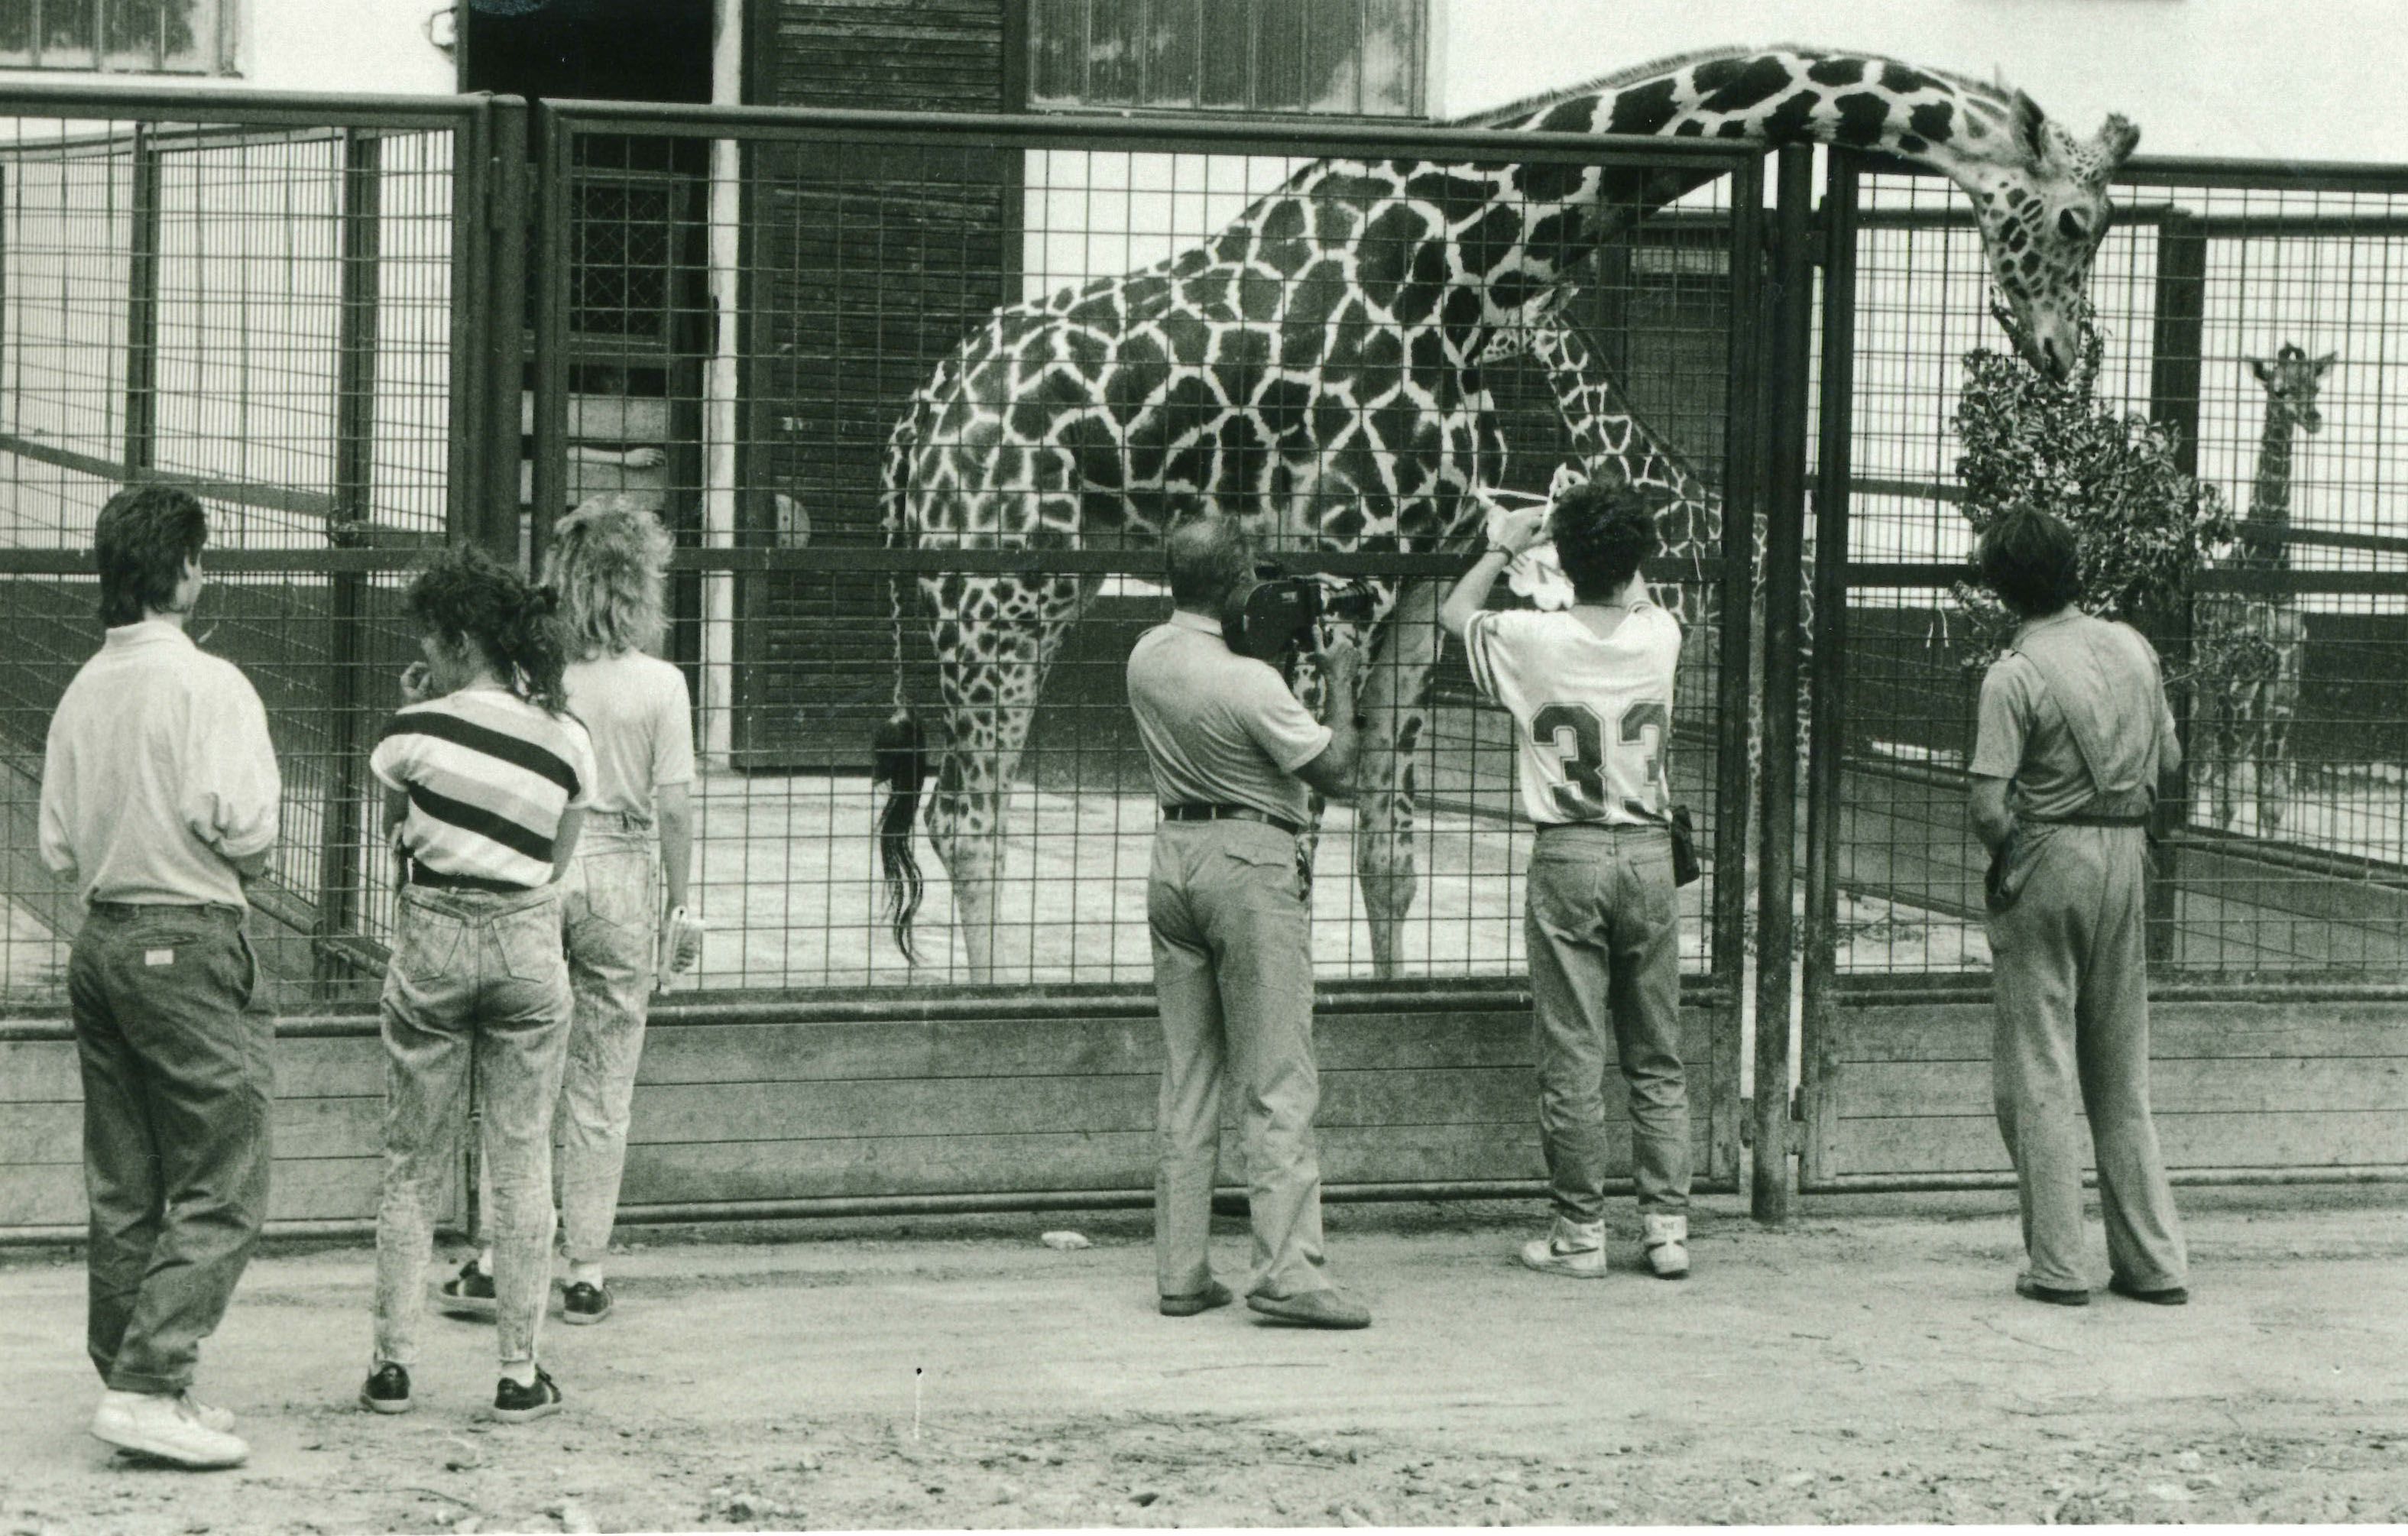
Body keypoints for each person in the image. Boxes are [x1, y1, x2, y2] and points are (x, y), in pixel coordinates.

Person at [39, 485, 281, 1469]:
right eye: (201, 558)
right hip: (186, 936)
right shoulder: (209, 684)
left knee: (126, 1179)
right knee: (226, 1175)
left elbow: (57, 847)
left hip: (100, 941)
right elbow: (251, 833)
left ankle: (139, 1378)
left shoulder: (80, 689)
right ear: (182, 570)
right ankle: (149, 1380)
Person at [435, 496, 702, 1327]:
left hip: (540, 865)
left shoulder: (536, 681)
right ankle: (585, 1269)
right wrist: (682, 908)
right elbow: (676, 808)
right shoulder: (662, 684)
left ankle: (490, 1258)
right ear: (640, 584)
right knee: (603, 1081)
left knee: (520, 1072)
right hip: (624, 872)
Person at [361, 546, 596, 1421]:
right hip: (528, 946)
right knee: (523, 1160)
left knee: (411, 1165)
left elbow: (396, 836)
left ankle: (391, 1368)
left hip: (431, 943)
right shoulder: (569, 737)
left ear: (456, 640)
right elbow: (555, 860)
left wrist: (424, 704)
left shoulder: (411, 730)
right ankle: (519, 1374)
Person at [1440, 479, 1691, 1282]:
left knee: (1573, 1052)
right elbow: (1634, 589)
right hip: (1649, 853)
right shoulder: (1663, 634)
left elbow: (1454, 615)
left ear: (1566, 558)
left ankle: (1580, 1234)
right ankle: (1666, 1230)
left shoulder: (1529, 637)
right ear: (1634, 558)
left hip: (1568, 852)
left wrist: (1506, 541)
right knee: (1656, 1055)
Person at [1126, 510, 1369, 1329]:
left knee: (1188, 1074)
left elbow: (1217, 697)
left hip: (1174, 857)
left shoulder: (1146, 656)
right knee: (1275, 1077)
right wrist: (1340, 676)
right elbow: (1336, 771)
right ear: (1236, 581)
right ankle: (1289, 1273)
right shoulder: (1252, 683)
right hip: (1251, 865)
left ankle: (1181, 1271)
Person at [1968, 506, 2189, 1308]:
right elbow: (2167, 755)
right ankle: (2154, 1262)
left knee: (2039, 1067)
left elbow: (1988, 805)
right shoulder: (2133, 645)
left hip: (2046, 855)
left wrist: (2013, 860)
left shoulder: (2012, 675)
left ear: (2000, 588)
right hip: (2128, 856)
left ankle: (2058, 1265)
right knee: (2120, 1072)